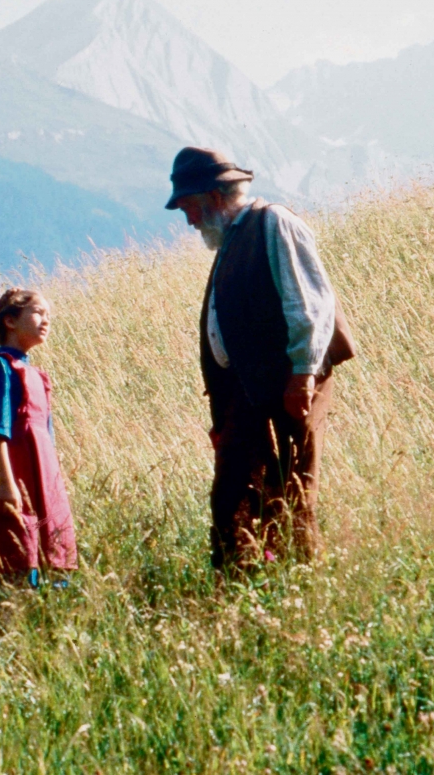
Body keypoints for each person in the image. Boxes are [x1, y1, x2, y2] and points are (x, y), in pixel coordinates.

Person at [166, 147, 355, 571]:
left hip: (290, 386)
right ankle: (244, 581)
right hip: (251, 392)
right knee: (237, 490)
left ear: (214, 198)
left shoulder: (274, 223)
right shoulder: (234, 237)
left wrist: (302, 376)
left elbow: (309, 304)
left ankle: (298, 579)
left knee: (292, 489)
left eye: (190, 208)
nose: (190, 220)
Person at [0, 288, 78, 587]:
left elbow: (47, 438)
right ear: (11, 321)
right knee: (11, 551)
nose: (46, 321)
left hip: (41, 477)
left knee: (50, 547)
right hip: (11, 477)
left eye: (49, 316)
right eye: (39, 312)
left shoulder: (39, 377)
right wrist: (6, 483)